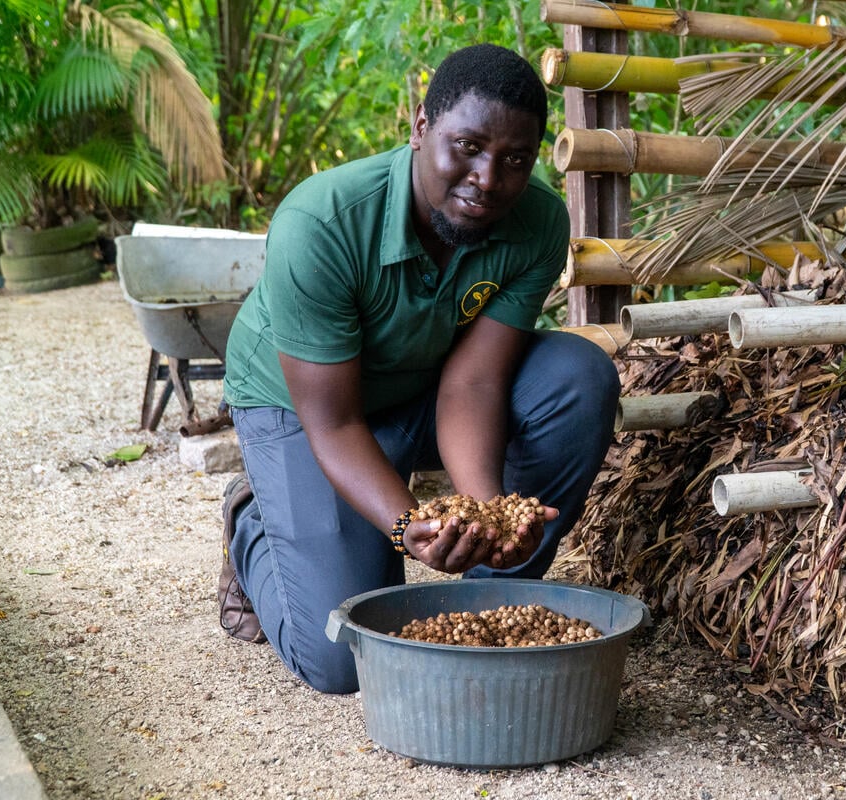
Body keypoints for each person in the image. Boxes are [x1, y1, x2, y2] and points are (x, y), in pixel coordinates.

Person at [217, 43, 621, 694]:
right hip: (303, 408)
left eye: (515, 159)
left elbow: (475, 382)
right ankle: (252, 521)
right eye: (467, 146)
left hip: (425, 385)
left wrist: (487, 514)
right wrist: (411, 526)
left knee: (577, 378)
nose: (489, 179)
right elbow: (335, 421)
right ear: (420, 128)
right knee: (343, 656)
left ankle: (493, 600)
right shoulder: (321, 223)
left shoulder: (537, 222)